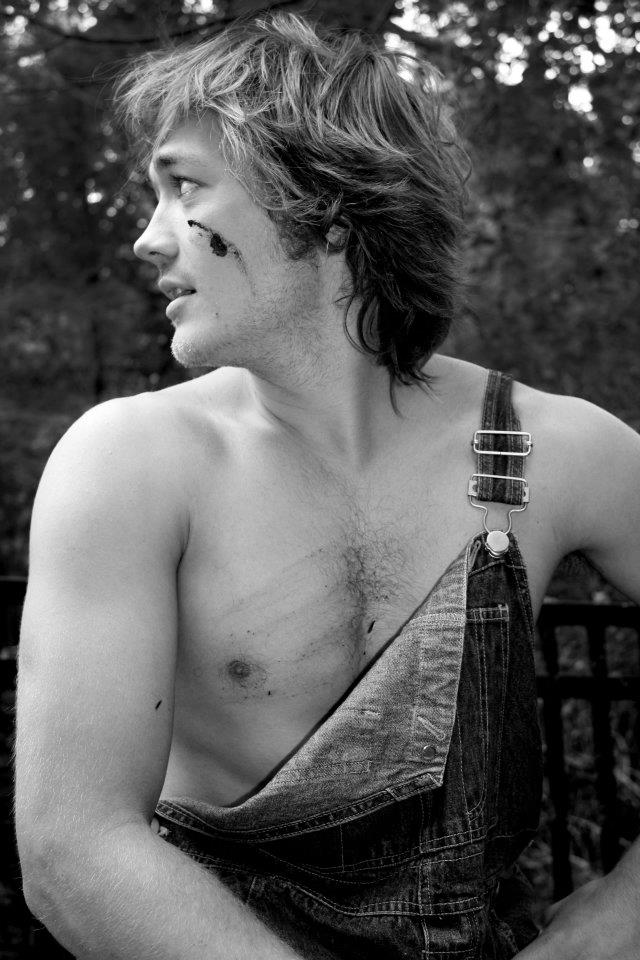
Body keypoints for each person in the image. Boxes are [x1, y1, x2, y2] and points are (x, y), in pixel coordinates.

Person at [14, 11, 640, 960]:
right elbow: (75, 850)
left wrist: (614, 923)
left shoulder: (555, 450)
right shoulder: (132, 462)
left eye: (183, 186)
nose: (147, 239)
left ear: (323, 200)